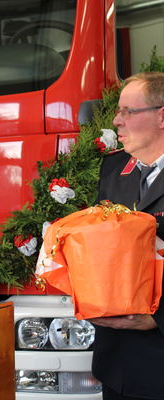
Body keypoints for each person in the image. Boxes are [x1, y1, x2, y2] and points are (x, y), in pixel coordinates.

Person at [91, 71, 164, 400]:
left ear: (161, 116)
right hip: (119, 364)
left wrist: (157, 318)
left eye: (128, 112)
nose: (117, 121)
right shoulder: (113, 168)